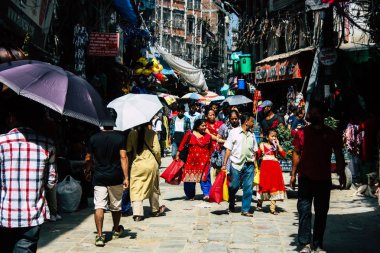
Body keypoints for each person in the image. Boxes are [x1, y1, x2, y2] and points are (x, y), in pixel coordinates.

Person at [0, 98, 57, 253]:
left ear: (12, 117)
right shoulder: (47, 144)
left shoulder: (1, 143)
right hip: (31, 215)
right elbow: (51, 182)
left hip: (4, 214)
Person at [290, 102, 346, 253]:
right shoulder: (302, 133)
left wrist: (341, 174)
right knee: (304, 210)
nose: (312, 116)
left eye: (315, 113)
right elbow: (296, 153)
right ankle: (305, 243)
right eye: (312, 113)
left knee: (321, 213)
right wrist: (293, 174)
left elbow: (339, 154)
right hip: (305, 178)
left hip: (323, 179)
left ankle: (318, 244)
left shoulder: (331, 133)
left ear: (323, 115)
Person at [85, 110, 129, 247]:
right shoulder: (120, 137)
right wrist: (126, 177)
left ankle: (99, 236)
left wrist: (87, 171)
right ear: (114, 121)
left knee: (99, 206)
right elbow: (123, 157)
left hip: (99, 176)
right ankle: (116, 229)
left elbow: (88, 158)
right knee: (116, 206)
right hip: (115, 176)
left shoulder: (93, 138)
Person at [127, 122, 166, 222]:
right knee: (153, 187)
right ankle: (155, 209)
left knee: (136, 188)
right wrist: (159, 161)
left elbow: (129, 150)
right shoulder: (152, 133)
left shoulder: (132, 134)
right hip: (151, 164)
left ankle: (137, 213)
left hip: (137, 165)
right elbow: (157, 151)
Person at [222, 112, 258, 217]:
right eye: (252, 121)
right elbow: (228, 148)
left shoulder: (252, 135)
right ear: (246, 122)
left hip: (249, 164)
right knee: (234, 185)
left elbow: (254, 151)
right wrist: (224, 164)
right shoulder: (234, 132)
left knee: (248, 187)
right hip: (236, 163)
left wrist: (255, 166)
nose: (254, 124)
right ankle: (231, 200)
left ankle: (245, 209)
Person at [175, 119, 213, 200]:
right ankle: (190, 195)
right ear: (197, 126)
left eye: (205, 126)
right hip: (191, 161)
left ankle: (207, 194)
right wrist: (178, 153)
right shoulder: (190, 134)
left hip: (204, 161)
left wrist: (210, 158)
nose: (204, 127)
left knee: (205, 177)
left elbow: (211, 148)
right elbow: (182, 143)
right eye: (202, 126)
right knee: (189, 179)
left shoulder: (208, 136)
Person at [256, 129, 287, 215]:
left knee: (274, 186)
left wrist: (278, 145)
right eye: (272, 136)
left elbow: (284, 155)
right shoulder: (262, 145)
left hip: (275, 169)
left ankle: (272, 208)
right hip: (265, 168)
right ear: (267, 137)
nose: (274, 138)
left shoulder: (276, 147)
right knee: (264, 185)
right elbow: (257, 155)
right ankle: (260, 201)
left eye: (275, 136)